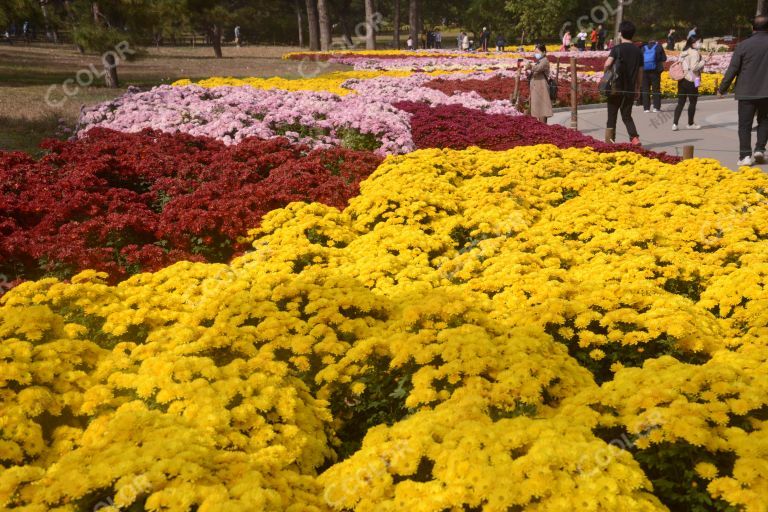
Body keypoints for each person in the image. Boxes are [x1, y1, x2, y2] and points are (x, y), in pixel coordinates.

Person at [718, 15, 768, 166]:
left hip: (746, 92)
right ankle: (760, 149)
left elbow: (733, 69)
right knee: (765, 120)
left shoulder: (743, 45)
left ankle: (745, 156)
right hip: (766, 92)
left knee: (744, 125)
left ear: (753, 28)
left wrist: (722, 88)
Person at [604, 20, 643, 145]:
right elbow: (640, 72)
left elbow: (607, 64)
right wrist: (638, 88)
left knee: (612, 115)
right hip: (630, 88)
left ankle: (610, 141)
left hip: (616, 87)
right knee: (627, 115)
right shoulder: (638, 51)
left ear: (621, 33)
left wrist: (607, 72)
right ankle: (634, 138)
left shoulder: (617, 49)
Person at [672, 36, 706, 131]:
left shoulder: (683, 52)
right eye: (699, 42)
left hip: (682, 78)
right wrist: (704, 61)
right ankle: (690, 123)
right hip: (693, 79)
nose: (700, 44)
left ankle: (675, 124)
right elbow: (695, 67)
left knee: (681, 102)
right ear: (693, 43)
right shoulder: (695, 53)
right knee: (693, 102)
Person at [526, 43, 553, 123]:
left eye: (537, 52)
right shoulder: (539, 61)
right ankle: (541, 127)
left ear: (544, 52)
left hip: (542, 88)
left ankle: (543, 127)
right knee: (538, 108)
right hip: (537, 88)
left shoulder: (545, 61)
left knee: (542, 109)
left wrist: (530, 66)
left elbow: (538, 68)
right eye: (535, 52)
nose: (536, 54)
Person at [641, 38, 666, 113]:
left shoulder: (643, 48)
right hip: (655, 71)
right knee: (656, 89)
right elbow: (664, 58)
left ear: (648, 42)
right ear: (655, 42)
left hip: (645, 72)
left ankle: (646, 108)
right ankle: (656, 108)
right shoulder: (659, 47)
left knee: (645, 89)